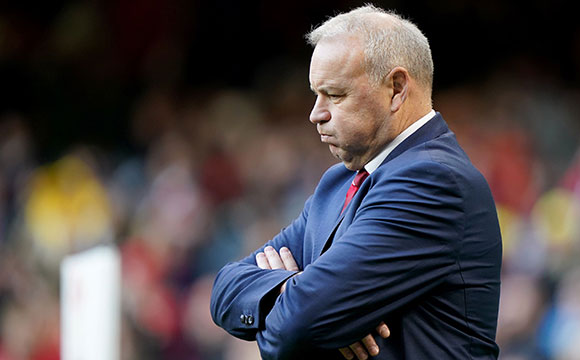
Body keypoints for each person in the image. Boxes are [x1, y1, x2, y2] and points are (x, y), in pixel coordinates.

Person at [210, 5, 502, 360]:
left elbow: (296, 329)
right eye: (316, 94)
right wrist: (295, 292)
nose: (315, 114)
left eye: (335, 95)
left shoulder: (434, 180)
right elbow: (224, 289)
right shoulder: (338, 182)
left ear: (396, 88)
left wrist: (312, 311)